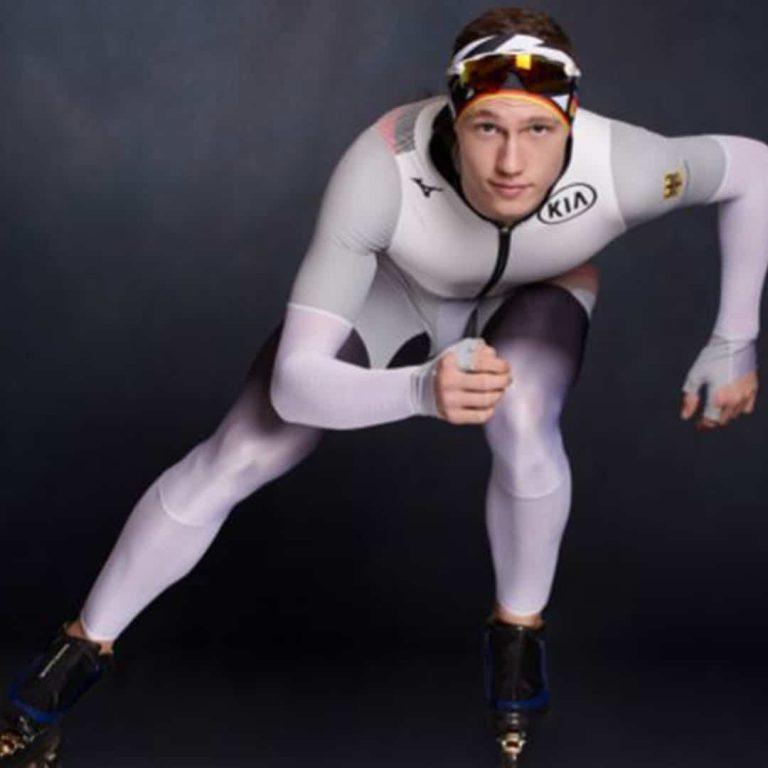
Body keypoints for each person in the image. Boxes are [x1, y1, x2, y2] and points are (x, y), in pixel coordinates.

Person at [1, 6, 765, 767]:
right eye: (487, 127)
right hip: (397, 291)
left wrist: (733, 340)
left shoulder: (624, 164)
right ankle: (68, 664)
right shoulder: (381, 170)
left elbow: (755, 170)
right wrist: (420, 391)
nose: (511, 162)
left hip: (540, 290)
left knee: (523, 416)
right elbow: (296, 385)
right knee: (245, 449)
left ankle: (517, 647)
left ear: (570, 120)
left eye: (538, 129)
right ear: (453, 117)